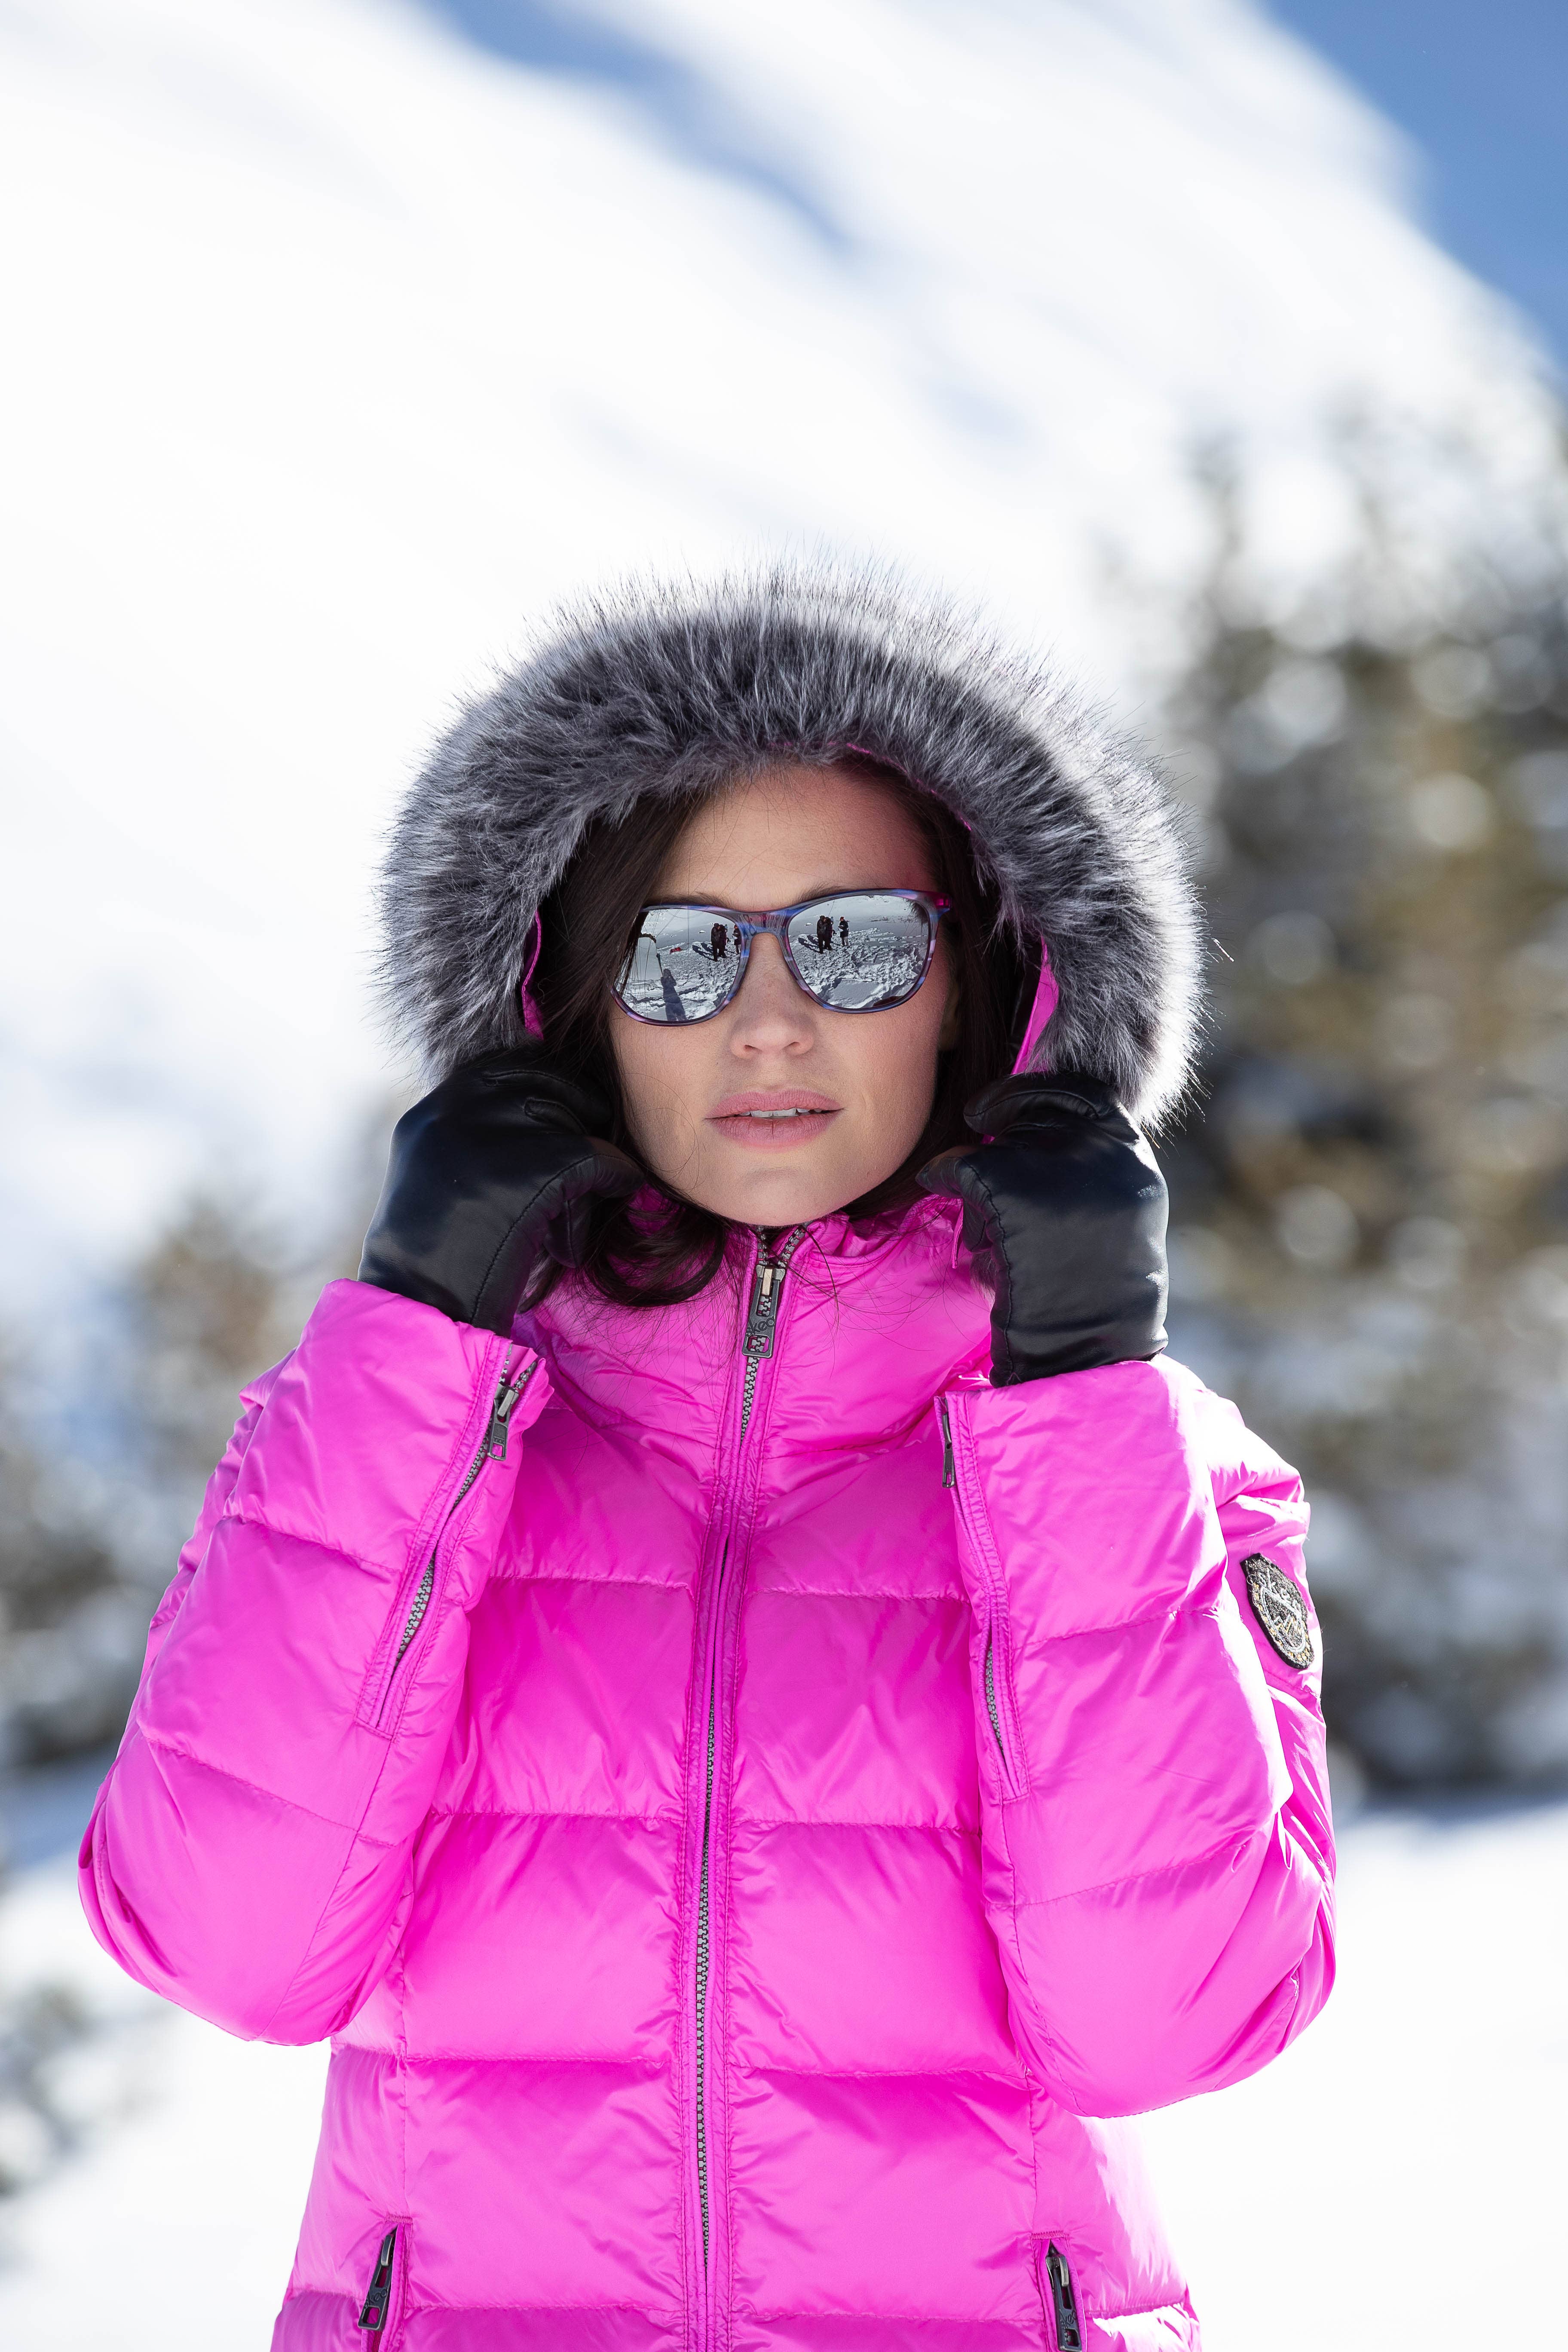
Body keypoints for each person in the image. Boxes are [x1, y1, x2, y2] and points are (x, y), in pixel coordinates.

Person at [80, 571, 1335, 2351]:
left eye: (855, 944)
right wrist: (418, 1326)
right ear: (578, 1001)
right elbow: (225, 1947)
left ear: (973, 983)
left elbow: (1172, 2024)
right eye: (681, 955)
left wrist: (1076, 1395)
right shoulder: (401, 1434)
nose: (767, 1023)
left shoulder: (1145, 1466)